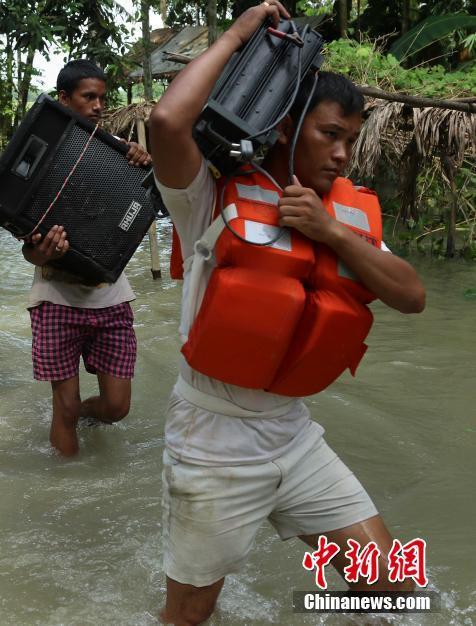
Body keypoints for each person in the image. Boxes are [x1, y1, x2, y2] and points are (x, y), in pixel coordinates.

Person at [149, 2, 426, 622]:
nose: (343, 155)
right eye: (330, 135)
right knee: (186, 618)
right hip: (211, 441)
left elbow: (412, 296)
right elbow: (168, 121)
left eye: (352, 141)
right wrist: (241, 33)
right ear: (284, 128)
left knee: (389, 583)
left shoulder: (342, 215)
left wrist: (331, 233)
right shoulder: (209, 194)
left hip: (294, 434)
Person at [22, 59, 152, 456]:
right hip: (57, 298)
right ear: (64, 99)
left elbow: (136, 208)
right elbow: (27, 244)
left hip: (109, 296)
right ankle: (65, 489)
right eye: (88, 97)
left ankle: (78, 417)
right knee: (64, 406)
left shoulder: (117, 155)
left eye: (102, 98)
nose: (98, 106)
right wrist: (39, 251)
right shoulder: (40, 158)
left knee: (116, 407)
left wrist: (142, 161)